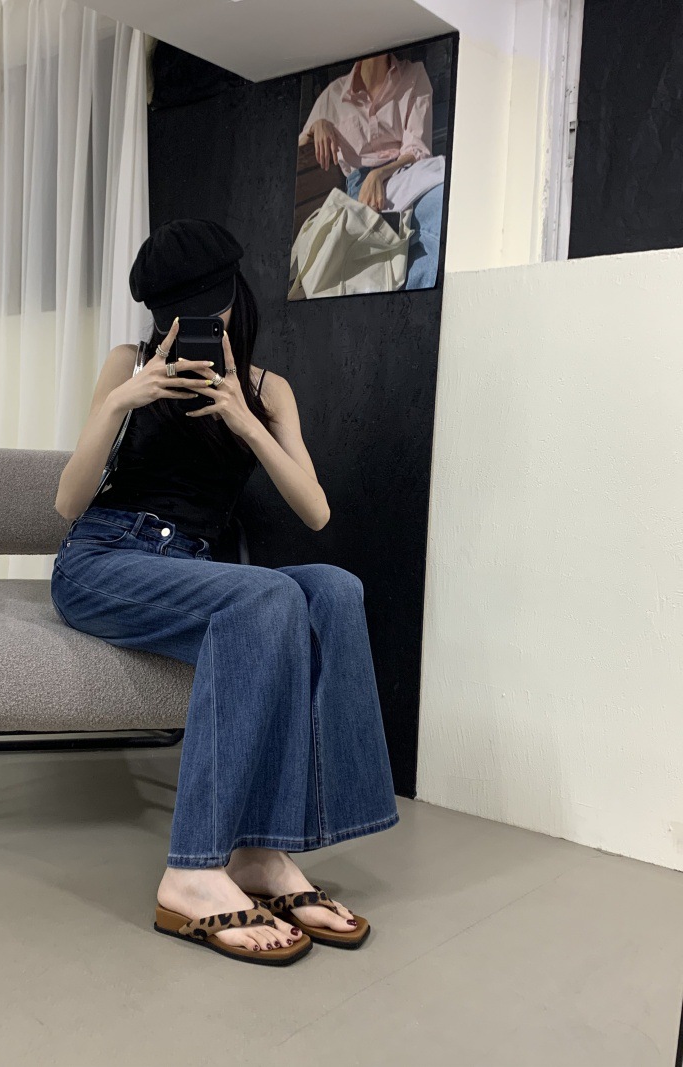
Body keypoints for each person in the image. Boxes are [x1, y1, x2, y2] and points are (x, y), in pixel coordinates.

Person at [51, 218, 400, 966]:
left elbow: (316, 512)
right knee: (265, 599)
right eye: (174, 316)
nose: (189, 330)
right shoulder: (127, 364)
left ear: (233, 301)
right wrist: (119, 404)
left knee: (333, 590)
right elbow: (67, 504)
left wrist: (246, 421)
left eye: (203, 311)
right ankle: (193, 870)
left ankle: (261, 853)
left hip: (191, 568)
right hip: (104, 558)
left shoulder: (271, 391)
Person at [298, 51, 444, 290]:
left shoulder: (414, 75)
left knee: (442, 208)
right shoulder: (333, 95)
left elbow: (417, 147)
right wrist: (318, 125)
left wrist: (380, 173)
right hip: (362, 192)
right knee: (438, 219)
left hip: (405, 173)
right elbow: (300, 150)